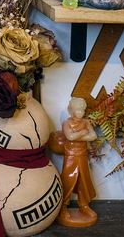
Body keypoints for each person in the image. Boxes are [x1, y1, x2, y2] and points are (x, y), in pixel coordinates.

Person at [47, 97, 98, 228]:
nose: (80, 112)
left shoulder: (86, 122)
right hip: (70, 156)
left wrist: (78, 135)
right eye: (77, 110)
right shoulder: (67, 123)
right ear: (72, 110)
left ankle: (84, 205)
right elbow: (70, 137)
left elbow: (93, 136)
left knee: (83, 181)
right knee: (68, 181)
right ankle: (63, 207)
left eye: (82, 110)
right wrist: (83, 132)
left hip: (82, 155)